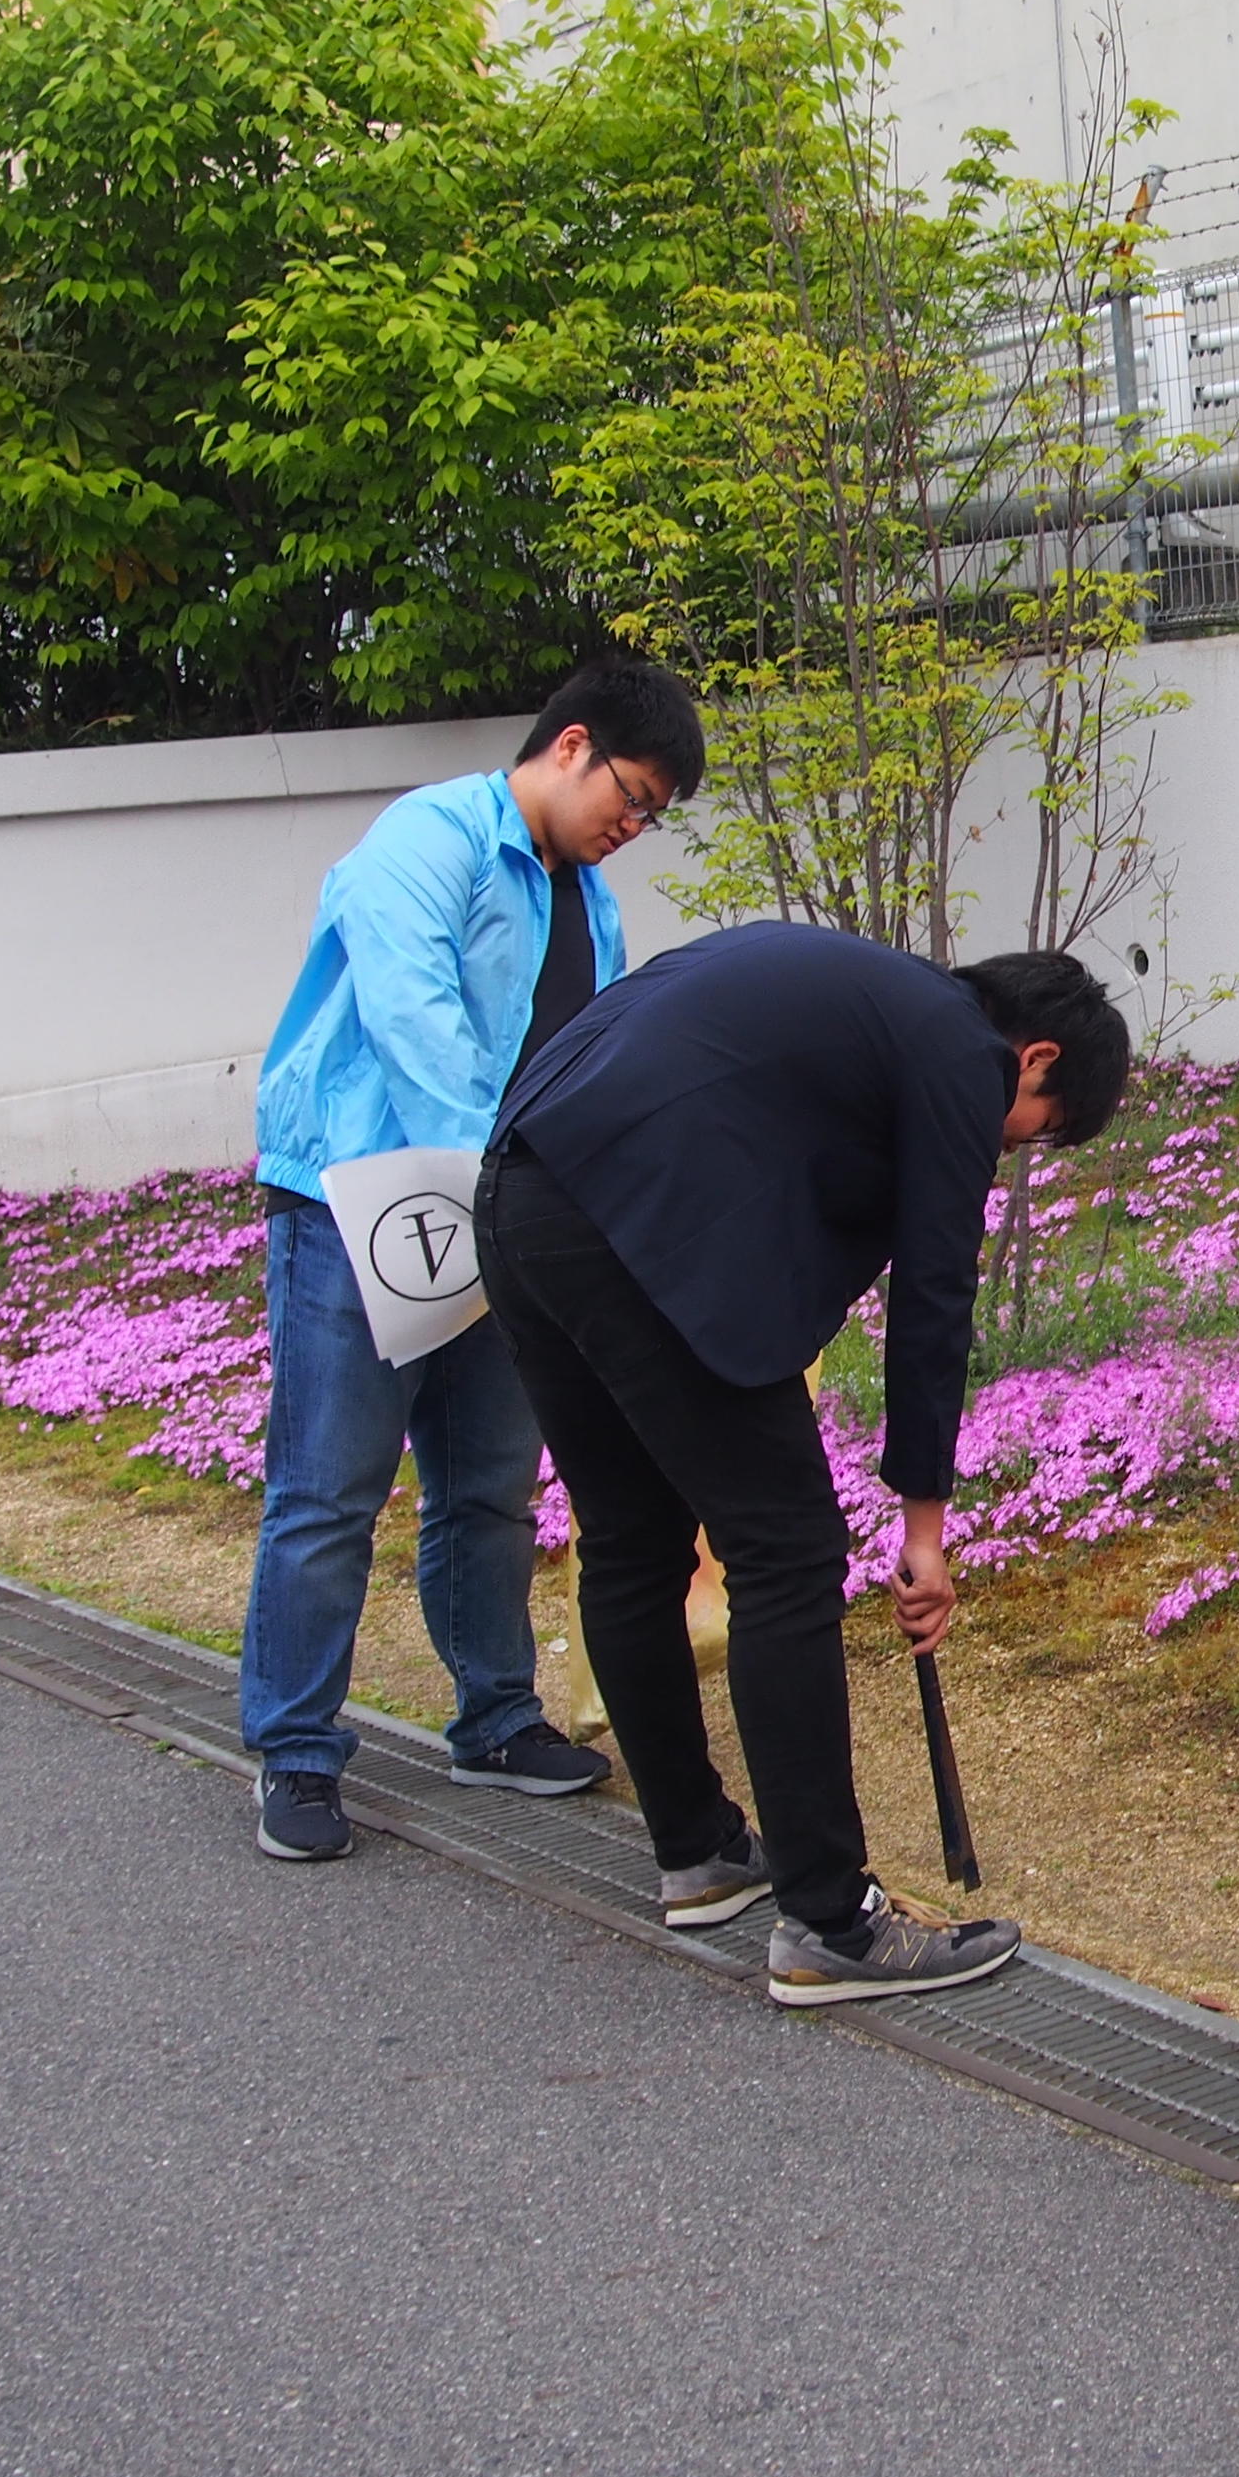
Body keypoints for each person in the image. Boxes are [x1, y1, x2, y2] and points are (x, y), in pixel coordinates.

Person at [477, 924, 1130, 2007]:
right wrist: (925, 1528)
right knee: (786, 1554)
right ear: (1038, 1059)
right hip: (642, 1228)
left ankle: (696, 1854)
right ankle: (832, 1923)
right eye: (1031, 1136)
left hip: (522, 1200)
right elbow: (934, 1294)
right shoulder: (962, 1049)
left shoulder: (865, 996)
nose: (1006, 1147)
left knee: (631, 1542)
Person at [238, 658, 710, 1868]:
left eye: (651, 813)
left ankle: (494, 1719)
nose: (633, 826)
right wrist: (504, 1178)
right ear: (572, 745)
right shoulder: (427, 838)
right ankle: (295, 1752)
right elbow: (417, 1026)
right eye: (635, 795)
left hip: (498, 1218)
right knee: (330, 1491)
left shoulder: (584, 896)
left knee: (492, 1483)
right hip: (360, 1201)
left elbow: (588, 1056)